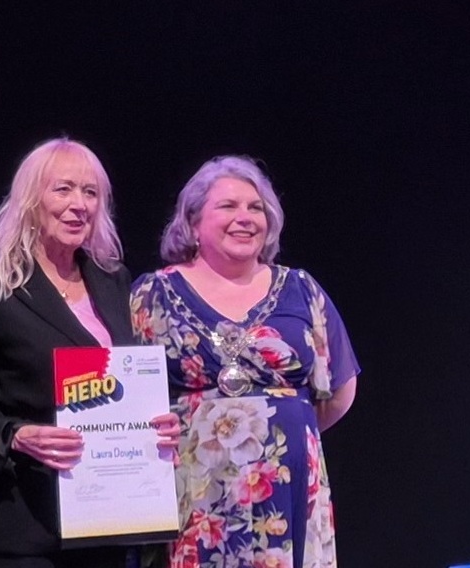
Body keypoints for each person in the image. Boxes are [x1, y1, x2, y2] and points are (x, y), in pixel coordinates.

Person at [130, 155, 359, 568]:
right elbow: (124, 396)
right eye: (228, 206)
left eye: (256, 208)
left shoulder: (301, 290)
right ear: (193, 222)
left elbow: (339, 392)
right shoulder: (152, 295)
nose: (246, 217)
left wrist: (280, 429)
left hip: (286, 494)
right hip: (194, 493)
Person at [0, 138, 180, 568]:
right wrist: (17, 435)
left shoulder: (114, 280)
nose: (79, 204)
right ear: (31, 200)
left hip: (111, 523)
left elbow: (130, 381)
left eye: (90, 193)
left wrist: (158, 422)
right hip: (29, 524)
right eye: (63, 189)